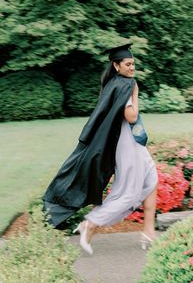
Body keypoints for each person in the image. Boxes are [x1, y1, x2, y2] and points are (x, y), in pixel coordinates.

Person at [43, 43, 158, 255]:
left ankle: (149, 232)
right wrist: (135, 94)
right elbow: (131, 116)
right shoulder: (126, 85)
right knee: (129, 192)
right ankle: (90, 224)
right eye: (128, 64)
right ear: (116, 66)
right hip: (127, 144)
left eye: (133, 64)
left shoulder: (113, 84)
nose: (132, 68)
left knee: (151, 179)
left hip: (128, 142)